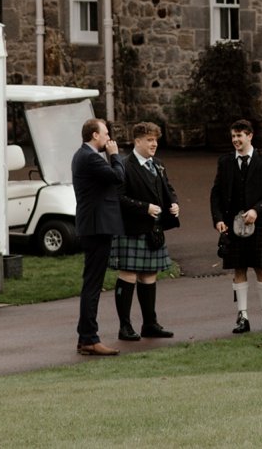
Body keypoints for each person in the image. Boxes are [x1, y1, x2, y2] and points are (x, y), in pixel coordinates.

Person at [113, 121, 181, 340]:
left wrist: (174, 203)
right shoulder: (124, 165)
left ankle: (149, 324)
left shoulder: (158, 164)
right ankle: (125, 327)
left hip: (153, 229)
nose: (154, 144)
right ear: (138, 141)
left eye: (156, 140)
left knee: (150, 275)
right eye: (150, 140)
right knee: (129, 274)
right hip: (131, 228)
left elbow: (167, 189)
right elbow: (118, 198)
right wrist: (144, 208)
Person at [210, 118, 262, 333]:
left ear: (250, 136)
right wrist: (219, 219)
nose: (235, 140)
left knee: (261, 268)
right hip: (232, 224)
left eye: (239, 136)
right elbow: (216, 194)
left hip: (259, 224)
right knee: (238, 269)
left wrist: (256, 210)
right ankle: (243, 317)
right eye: (233, 136)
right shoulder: (225, 162)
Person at [71, 116, 123, 356]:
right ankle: (90, 338)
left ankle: (85, 337)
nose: (108, 139)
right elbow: (118, 177)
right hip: (95, 226)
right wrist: (115, 155)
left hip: (93, 225)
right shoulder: (90, 157)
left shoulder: (85, 156)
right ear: (94, 135)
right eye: (105, 134)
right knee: (92, 284)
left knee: (92, 282)